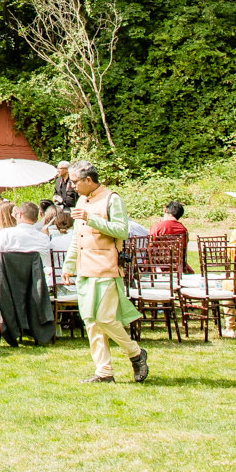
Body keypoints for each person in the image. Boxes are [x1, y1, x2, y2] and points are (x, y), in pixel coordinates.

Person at [67, 160, 145, 384]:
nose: (71, 186)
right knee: (91, 321)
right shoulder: (82, 199)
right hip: (85, 268)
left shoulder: (112, 199)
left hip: (106, 267)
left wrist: (91, 218)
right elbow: (77, 237)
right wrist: (68, 265)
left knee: (105, 319)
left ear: (88, 180)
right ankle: (104, 372)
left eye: (74, 182)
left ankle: (135, 353)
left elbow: (122, 230)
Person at [0, 201, 56, 345]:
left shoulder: (6, 234)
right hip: (34, 289)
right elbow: (47, 265)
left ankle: (8, 323)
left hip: (8, 289)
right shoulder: (42, 238)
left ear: (19, 214)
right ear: (37, 217)